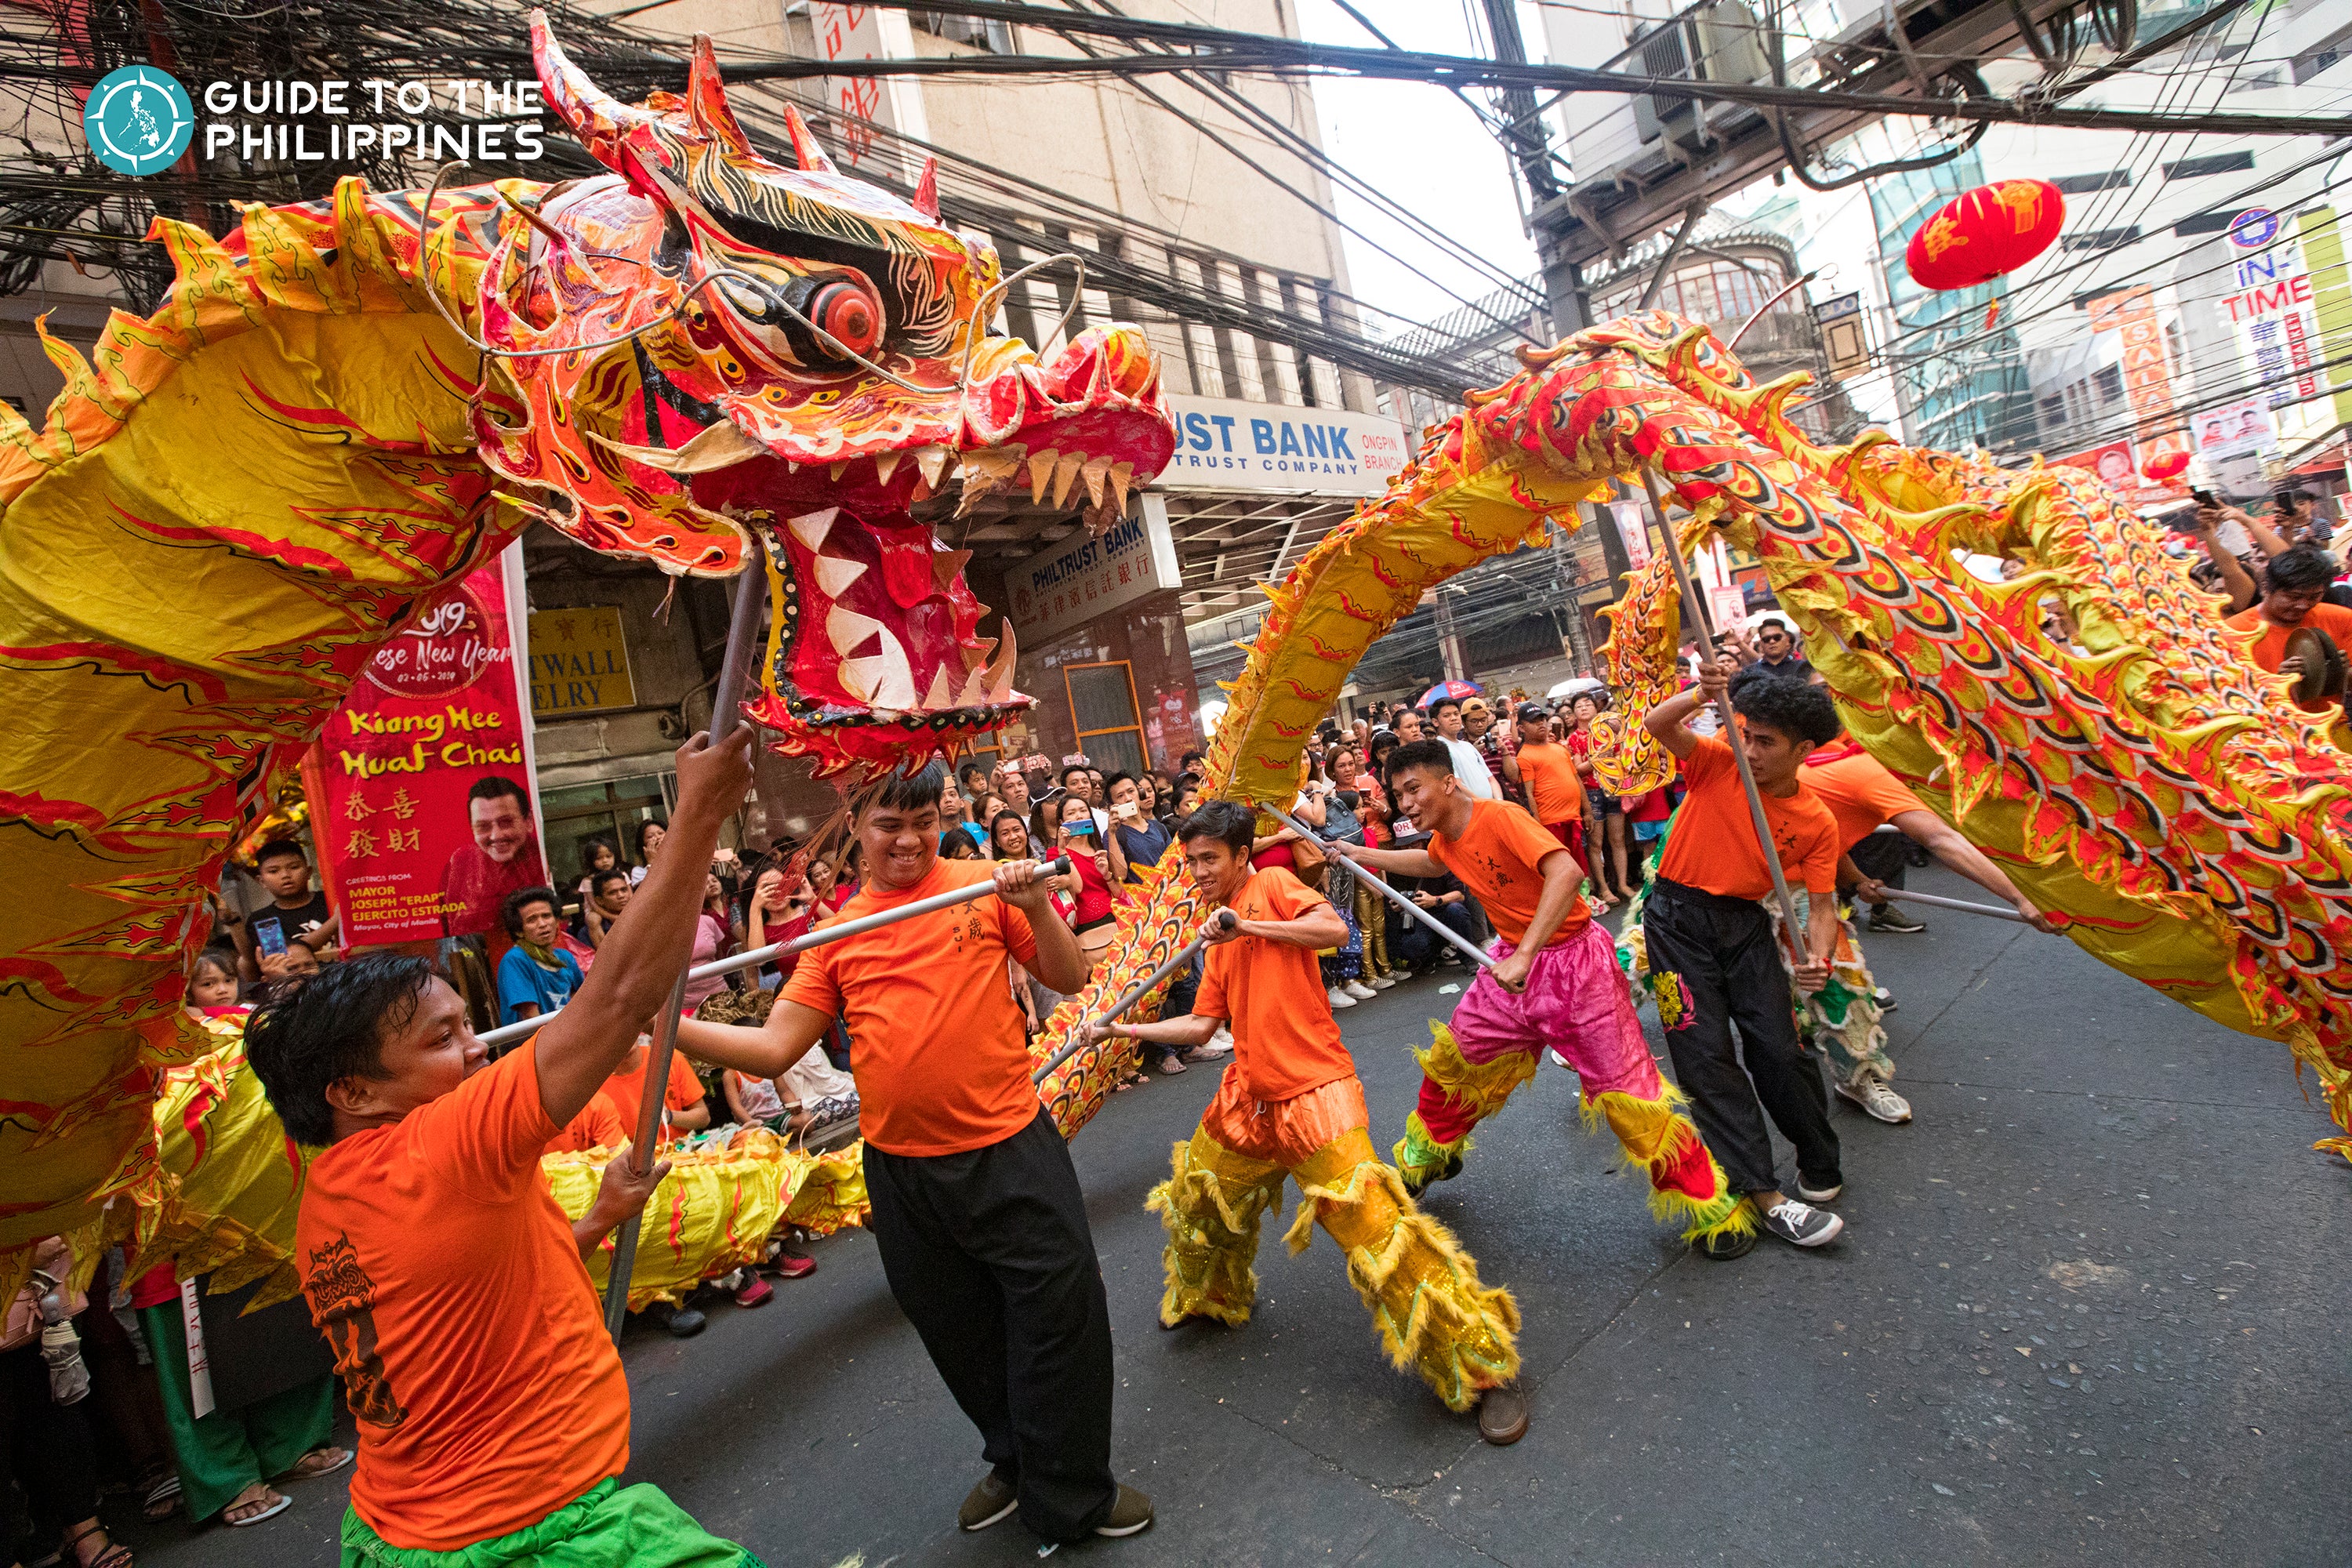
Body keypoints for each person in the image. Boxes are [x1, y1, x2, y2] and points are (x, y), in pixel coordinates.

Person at [243, 728, 758, 1567]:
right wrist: (699, 809)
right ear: (354, 1091)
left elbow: (458, 1299)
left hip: (398, 1531)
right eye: (445, 1037)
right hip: (530, 1534)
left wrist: (592, 1219)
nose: (479, 1046)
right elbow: (623, 992)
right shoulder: (443, 1142)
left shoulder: (329, 1195)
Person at [674, 762, 1151, 1545]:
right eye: (890, 823)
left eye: (923, 819)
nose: (909, 838)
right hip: (901, 1171)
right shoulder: (836, 935)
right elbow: (771, 1047)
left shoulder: (982, 883)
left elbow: (1070, 975)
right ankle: (1013, 1456)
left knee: (1060, 1319)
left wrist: (1033, 901)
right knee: (954, 1328)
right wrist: (661, 1025)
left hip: (1008, 1147)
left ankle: (1072, 1492)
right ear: (856, 824)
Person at [1095, 801, 1530, 1444]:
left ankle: (1483, 1369)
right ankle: (1209, 1297)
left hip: (1316, 1092)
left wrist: (1247, 924)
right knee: (1201, 1199)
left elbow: (1333, 930)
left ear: (1241, 856)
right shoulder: (1217, 934)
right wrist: (1122, 1030)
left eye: (1208, 859)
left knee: (1381, 1235)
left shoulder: (1267, 887)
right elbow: (1201, 1027)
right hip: (1250, 1095)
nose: (1198, 871)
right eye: (1189, 861)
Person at [1340, 741, 1744, 1235]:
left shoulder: (1501, 817)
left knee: (1627, 1094)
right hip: (1511, 966)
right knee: (1454, 1062)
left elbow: (1567, 872)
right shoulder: (1445, 836)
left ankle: (1711, 1206)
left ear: (1446, 782)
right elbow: (1432, 864)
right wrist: (1357, 852)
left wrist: (1529, 952)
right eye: (1397, 794)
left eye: (1413, 789)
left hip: (1577, 968)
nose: (1405, 803)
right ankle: (1428, 1157)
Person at [1639, 657, 1848, 1257]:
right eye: (1746, 734)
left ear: (1803, 748)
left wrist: (1818, 958)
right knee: (1703, 1055)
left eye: (1766, 742)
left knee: (1780, 1049)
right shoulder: (1718, 763)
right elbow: (1659, 724)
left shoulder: (1817, 822)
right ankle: (1760, 1193)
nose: (1750, 750)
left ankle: (1818, 1155)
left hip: (1746, 926)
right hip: (1674, 924)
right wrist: (1699, 695)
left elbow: (1826, 907)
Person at [1792, 711, 2060, 1126]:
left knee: (1830, 974)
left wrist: (1858, 879)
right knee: (1834, 979)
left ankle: (1854, 1071)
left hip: (1795, 881)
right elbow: (1941, 840)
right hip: (1760, 885)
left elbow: (1823, 830)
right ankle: (1854, 1072)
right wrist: (2020, 898)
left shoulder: (1848, 764)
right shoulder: (1870, 771)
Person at [2223, 545, 2352, 714]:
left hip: (2332, 726)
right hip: (2270, 732)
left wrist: (2340, 673)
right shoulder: (2233, 633)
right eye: (2294, 597)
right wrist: (2276, 683)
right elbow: (2227, 699)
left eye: (2314, 596)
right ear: (2265, 588)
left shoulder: (2342, 619)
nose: (2303, 605)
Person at [1499, 704, 1594, 906]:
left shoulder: (1559, 749)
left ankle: (1582, 904)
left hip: (1573, 817)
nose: (1541, 724)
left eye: (1542, 719)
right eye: (1534, 721)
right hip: (1550, 823)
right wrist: (1538, 826)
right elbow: (1529, 794)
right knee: (1559, 871)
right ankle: (1566, 909)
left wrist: (1587, 811)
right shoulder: (1525, 755)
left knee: (1578, 866)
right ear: (1522, 727)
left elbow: (1576, 780)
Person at [437, 778, 548, 939]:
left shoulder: (544, 857)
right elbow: (448, 926)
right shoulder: (459, 864)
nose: (496, 836)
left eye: (506, 823)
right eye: (483, 827)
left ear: (529, 821)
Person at [237, 840, 339, 984]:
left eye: (294, 867)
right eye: (274, 871)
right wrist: (335, 922)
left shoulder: (331, 900)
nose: (285, 875)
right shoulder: (261, 919)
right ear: (261, 881)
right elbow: (288, 957)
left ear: (309, 871)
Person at [495, 887, 583, 1025]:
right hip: (534, 1042)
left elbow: (581, 1001)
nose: (542, 924)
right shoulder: (515, 960)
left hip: (568, 1035)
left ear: (557, 920)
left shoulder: (565, 958)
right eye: (532, 920)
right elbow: (530, 1017)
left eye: (547, 916)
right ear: (519, 931)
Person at [1425, 697, 1497, 800]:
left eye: (1456, 714)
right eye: (1447, 716)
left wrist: (1498, 801)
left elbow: (1491, 779)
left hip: (1492, 807)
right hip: (1472, 809)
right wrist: (1482, 804)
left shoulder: (1468, 746)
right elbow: (1457, 785)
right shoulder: (1437, 749)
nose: (1453, 718)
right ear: (1436, 722)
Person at [1106, 772, 1172, 884]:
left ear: (1140, 793)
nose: (1128, 798)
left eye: (1131, 791)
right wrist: (1112, 833)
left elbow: (1174, 862)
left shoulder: (1159, 827)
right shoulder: (1113, 834)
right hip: (1140, 898)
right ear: (1113, 804)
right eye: (1120, 796)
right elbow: (1120, 876)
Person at [1745, 618, 1813, 682]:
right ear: (1761, 644)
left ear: (1787, 640)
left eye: (1777, 638)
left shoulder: (1803, 667)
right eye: (1767, 639)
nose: (1772, 642)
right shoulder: (1752, 672)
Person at [628, 818, 665, 886]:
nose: (657, 837)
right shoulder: (638, 872)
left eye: (660, 833)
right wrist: (652, 862)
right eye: (650, 836)